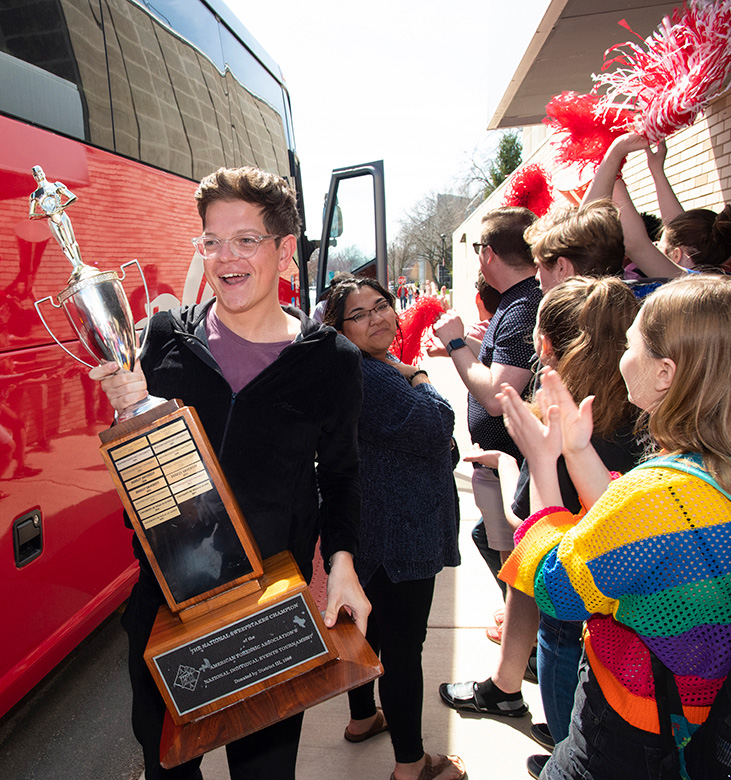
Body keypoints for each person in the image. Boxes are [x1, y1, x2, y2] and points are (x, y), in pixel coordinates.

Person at [89, 166, 370, 780]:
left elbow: (343, 476)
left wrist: (343, 565)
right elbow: (143, 467)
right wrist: (127, 407)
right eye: (211, 241)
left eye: (245, 240)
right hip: (166, 606)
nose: (225, 258)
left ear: (284, 250)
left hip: (269, 609)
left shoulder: (332, 362)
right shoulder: (164, 338)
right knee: (164, 768)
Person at [499, 274, 731, 780]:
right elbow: (639, 543)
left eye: (630, 343)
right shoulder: (700, 476)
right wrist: (578, 451)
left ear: (665, 373)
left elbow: (557, 587)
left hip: (630, 729)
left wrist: (542, 464)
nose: (620, 354)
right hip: (690, 719)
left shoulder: (657, 495)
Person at [323, 276, 465, 780]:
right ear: (339, 328)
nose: (377, 317)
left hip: (373, 531)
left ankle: (363, 718)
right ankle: (412, 765)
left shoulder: (358, 369)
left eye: (381, 305)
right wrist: (420, 376)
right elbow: (438, 423)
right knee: (404, 650)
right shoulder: (374, 375)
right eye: (358, 314)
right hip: (400, 538)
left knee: (369, 635)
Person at [434, 206, 539, 623]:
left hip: (511, 467)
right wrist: (465, 349)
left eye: (479, 249)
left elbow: (498, 395)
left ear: (489, 254)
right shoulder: (518, 302)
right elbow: (505, 366)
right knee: (498, 547)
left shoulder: (523, 305)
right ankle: (521, 626)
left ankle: (526, 643)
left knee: (517, 562)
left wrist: (458, 344)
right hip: (504, 466)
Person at [584, 133, 731, 277]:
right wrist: (657, 170)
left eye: (659, 243)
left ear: (676, 255)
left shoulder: (685, 284)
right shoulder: (718, 283)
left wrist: (613, 157)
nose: (654, 244)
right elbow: (677, 226)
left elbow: (636, 244)